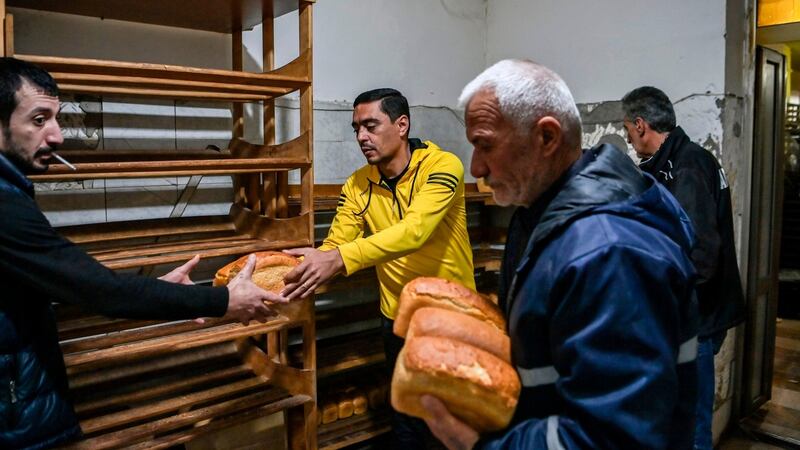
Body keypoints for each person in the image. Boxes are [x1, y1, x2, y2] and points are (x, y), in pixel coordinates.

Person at [0, 57, 285, 448]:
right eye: (38, 120)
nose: (57, 136)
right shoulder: (4, 206)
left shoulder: (11, 194)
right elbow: (101, 290)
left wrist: (169, 293)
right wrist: (222, 300)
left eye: (56, 118)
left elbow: (32, 297)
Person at [419, 59, 699, 449]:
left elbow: (613, 439)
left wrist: (481, 444)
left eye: (485, 144)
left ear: (546, 138)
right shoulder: (541, 214)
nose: (476, 167)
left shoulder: (608, 251)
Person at [281, 88, 475, 447]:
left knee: (455, 424)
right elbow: (338, 240)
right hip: (398, 319)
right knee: (407, 420)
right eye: (356, 128)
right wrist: (299, 265)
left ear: (402, 125)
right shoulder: (358, 184)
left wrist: (339, 259)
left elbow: (414, 231)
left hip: (452, 319)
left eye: (370, 126)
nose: (361, 137)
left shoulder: (443, 166)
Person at [621, 86, 745, 450]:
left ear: (641, 125)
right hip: (685, 318)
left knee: (691, 426)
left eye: (628, 129)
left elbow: (701, 255)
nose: (629, 139)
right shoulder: (673, 163)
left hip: (694, 321)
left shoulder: (686, 167)